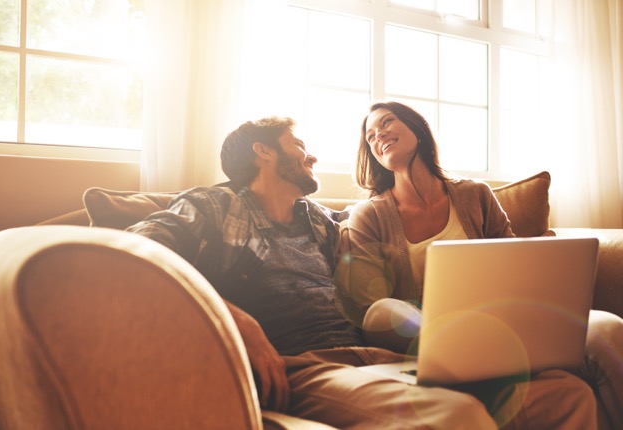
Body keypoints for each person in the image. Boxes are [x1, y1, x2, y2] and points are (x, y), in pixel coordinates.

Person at [126, 115, 596, 429]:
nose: (312, 158)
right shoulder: (211, 205)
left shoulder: (321, 224)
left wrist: (441, 331)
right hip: (304, 366)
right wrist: (235, 322)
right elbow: (131, 253)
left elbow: (374, 295)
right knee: (454, 416)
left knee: (565, 394)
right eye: (300, 147)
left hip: (375, 356)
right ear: (262, 152)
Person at [334, 101, 623, 430]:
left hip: (511, 323)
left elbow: (517, 262)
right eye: (370, 135)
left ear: (417, 129)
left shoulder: (476, 195)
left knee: (608, 330)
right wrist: (428, 329)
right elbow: (370, 309)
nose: (378, 135)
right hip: (435, 344)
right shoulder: (370, 216)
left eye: (387, 122)